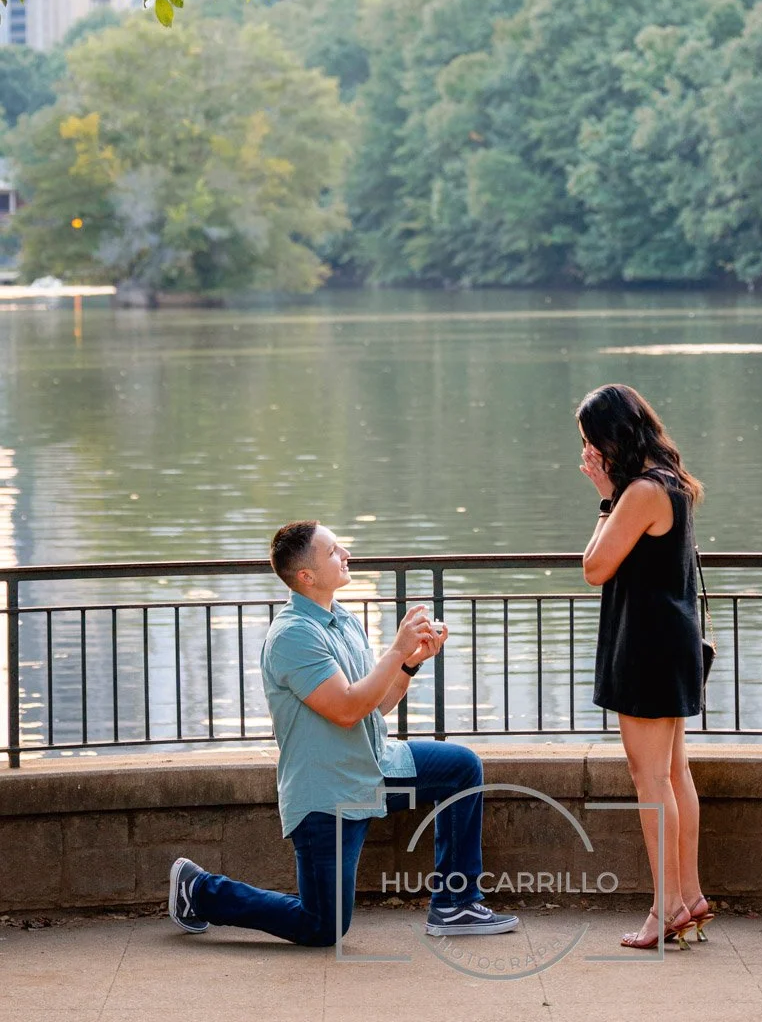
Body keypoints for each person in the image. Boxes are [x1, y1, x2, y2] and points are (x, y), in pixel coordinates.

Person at [167, 519, 519, 945]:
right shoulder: (293, 636)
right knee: (324, 926)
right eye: (333, 551)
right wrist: (395, 649)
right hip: (328, 794)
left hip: (374, 769)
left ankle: (455, 904)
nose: (346, 554)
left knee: (461, 769)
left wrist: (409, 662)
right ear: (306, 576)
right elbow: (347, 710)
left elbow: (375, 705)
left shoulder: (343, 620)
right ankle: (200, 889)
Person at [576, 383, 712, 951]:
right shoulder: (670, 481)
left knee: (649, 779)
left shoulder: (639, 492)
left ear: (611, 439)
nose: (588, 454)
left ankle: (666, 909)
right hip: (671, 642)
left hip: (647, 648)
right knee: (674, 774)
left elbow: (594, 567)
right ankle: (690, 897)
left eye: (590, 443)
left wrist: (606, 495)